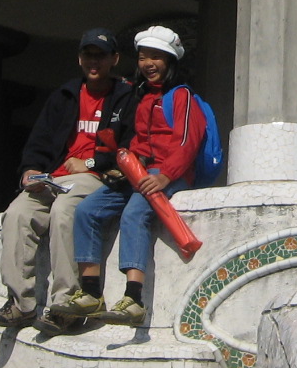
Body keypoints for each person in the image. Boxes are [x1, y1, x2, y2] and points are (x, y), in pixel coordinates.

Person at [52, 25, 204, 326]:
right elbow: (134, 140)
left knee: (135, 213)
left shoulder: (181, 95)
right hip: (135, 173)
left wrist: (164, 176)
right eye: (144, 57)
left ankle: (134, 299)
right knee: (86, 211)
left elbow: (188, 142)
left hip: (165, 174)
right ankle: (91, 293)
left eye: (156, 58)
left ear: (171, 61)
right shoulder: (139, 95)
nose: (148, 64)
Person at [0, 29, 132, 334]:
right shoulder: (64, 95)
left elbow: (130, 146)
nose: (94, 61)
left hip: (95, 176)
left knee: (65, 210)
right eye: (88, 54)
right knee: (17, 213)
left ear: (114, 59)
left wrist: (91, 162)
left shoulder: (126, 96)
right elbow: (38, 143)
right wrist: (30, 171)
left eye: (101, 55)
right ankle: (20, 304)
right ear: (79, 58)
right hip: (54, 177)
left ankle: (67, 304)